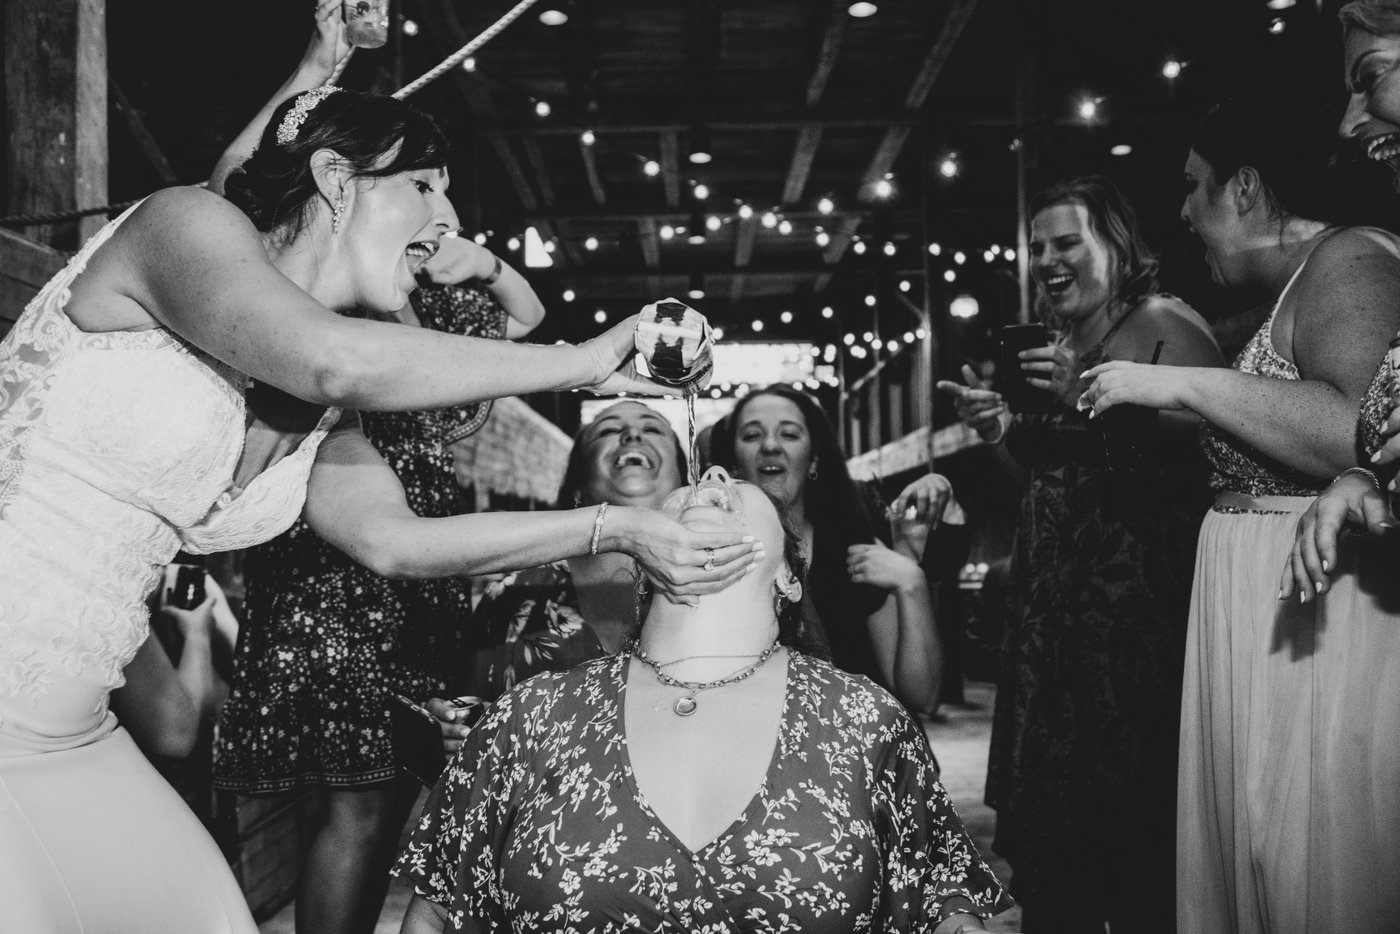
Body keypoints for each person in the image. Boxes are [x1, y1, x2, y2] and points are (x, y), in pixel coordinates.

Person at [0, 84, 756, 932]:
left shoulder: (330, 418)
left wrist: (619, 527)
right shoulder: (182, 227)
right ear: (336, 179)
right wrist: (582, 361)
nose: (448, 215)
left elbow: (399, 543)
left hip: (74, 727)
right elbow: (330, 358)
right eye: (425, 185)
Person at [395, 468, 1016, 933]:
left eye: (741, 487)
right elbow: (437, 913)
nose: (713, 477)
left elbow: (945, 911)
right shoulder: (534, 715)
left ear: (789, 578)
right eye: (692, 482)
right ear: (639, 561)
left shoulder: (865, 720)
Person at [1078, 88, 1400, 934]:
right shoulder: (1304, 279)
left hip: (1319, 614)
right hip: (1261, 609)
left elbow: (1355, 431)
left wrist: (1181, 380)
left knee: (1305, 861)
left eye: (1195, 186)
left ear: (1246, 188)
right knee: (1254, 852)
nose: (1183, 211)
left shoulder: (1352, 261)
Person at [939, 175, 1222, 932]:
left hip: (1134, 649)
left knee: (1135, 874)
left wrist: (1079, 400)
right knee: (1056, 886)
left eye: (1068, 242)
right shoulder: (1065, 347)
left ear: (1118, 247)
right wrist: (1002, 431)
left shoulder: (1164, 324)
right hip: (1058, 649)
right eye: (1037, 248)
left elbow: (1211, 448)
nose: (1048, 260)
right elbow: (1052, 484)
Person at [710, 385, 942, 711]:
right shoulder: (709, 555)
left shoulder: (855, 553)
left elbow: (923, 697)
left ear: (814, 460)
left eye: (789, 434)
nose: (771, 445)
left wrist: (912, 583)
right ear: (733, 462)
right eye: (751, 435)